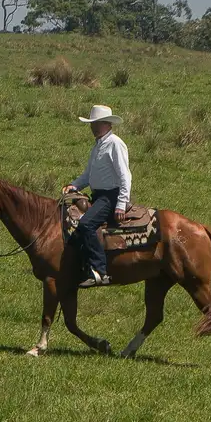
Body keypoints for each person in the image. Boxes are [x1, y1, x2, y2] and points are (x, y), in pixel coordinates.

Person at [62, 104, 131, 288]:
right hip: (99, 195)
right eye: (92, 123)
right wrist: (74, 185)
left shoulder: (115, 143)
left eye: (95, 123)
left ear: (106, 124)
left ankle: (100, 271)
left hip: (111, 197)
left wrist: (121, 204)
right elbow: (88, 174)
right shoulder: (98, 146)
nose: (92, 127)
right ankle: (82, 268)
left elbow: (125, 175)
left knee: (86, 224)